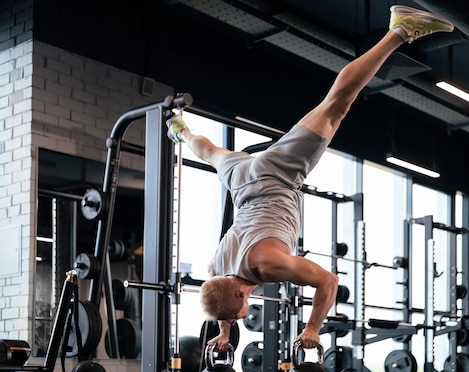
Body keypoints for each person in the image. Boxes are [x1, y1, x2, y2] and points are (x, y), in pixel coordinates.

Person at [166, 5, 453, 351]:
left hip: (276, 178)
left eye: (241, 312)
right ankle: (180, 131)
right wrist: (224, 334)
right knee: (210, 152)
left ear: (242, 292)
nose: (244, 313)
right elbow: (221, 293)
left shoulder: (266, 266)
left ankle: (400, 30)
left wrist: (313, 328)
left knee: (337, 105)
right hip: (240, 181)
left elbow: (328, 282)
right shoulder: (216, 269)